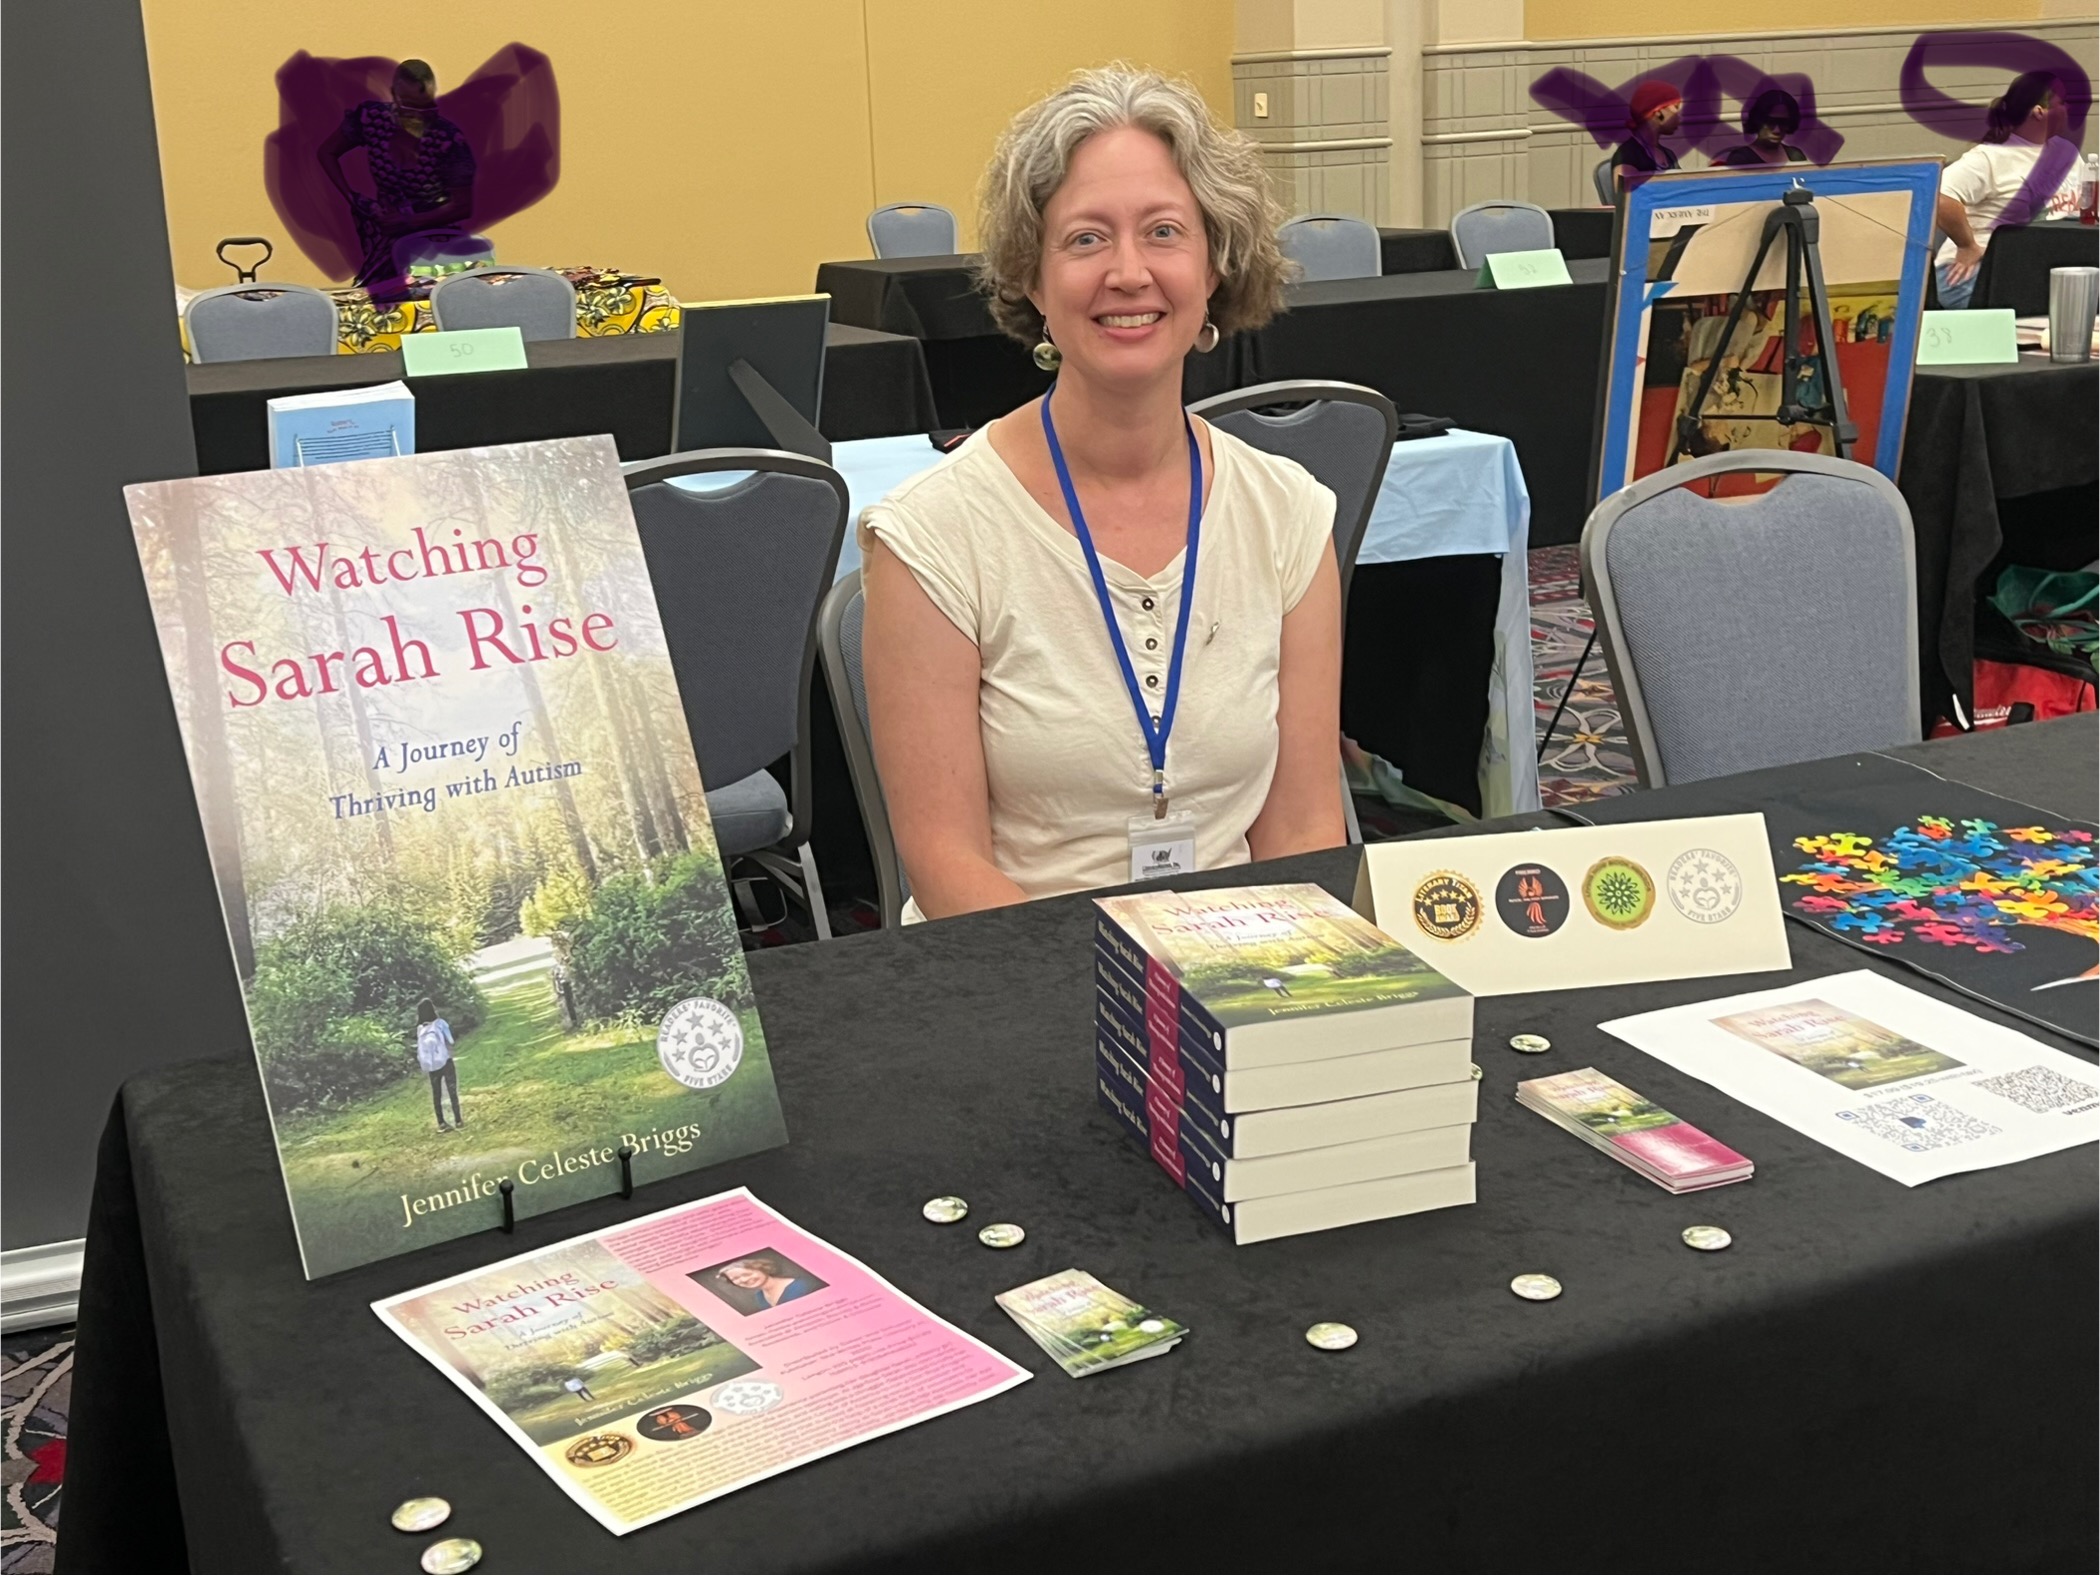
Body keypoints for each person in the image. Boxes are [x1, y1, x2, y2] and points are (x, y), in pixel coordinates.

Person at [859, 66, 1345, 922]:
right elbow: (946, 867)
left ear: (1214, 267)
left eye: (1164, 232)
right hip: (1018, 970)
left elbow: (1303, 830)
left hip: (1243, 962)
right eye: (1086, 239)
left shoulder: (1289, 516)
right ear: (1032, 278)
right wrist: (1132, 993)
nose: (1128, 272)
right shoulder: (932, 535)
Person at [316, 59, 476, 290]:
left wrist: (410, 221)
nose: (418, 117)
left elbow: (463, 207)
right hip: (388, 237)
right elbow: (327, 152)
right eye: (409, 107)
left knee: (433, 298)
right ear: (394, 95)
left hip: (436, 240)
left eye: (425, 108)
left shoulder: (448, 139)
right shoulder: (372, 120)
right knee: (374, 297)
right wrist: (353, 199)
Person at [1935, 71, 2082, 309]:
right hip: (1976, 271)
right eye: (2063, 103)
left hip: (2038, 266)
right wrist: (1967, 245)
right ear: (2039, 112)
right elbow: (1940, 197)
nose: (2070, 110)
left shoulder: (2067, 153)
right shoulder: (1989, 157)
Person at [1613, 82, 1683, 189]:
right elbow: (1627, 196)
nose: (1679, 117)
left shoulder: (1669, 155)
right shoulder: (1627, 155)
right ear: (1658, 112)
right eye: (1676, 107)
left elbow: (1682, 189)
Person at [1716, 89, 1809, 167]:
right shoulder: (1741, 158)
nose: (1777, 130)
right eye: (1770, 122)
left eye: (1783, 123)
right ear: (1758, 121)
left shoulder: (1795, 155)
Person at [414, 996, 461, 1132]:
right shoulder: (440, 1023)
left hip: (431, 1065)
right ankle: (458, 1120)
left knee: (436, 1093)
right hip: (445, 1061)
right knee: (452, 1090)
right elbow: (451, 1041)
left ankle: (441, 1122)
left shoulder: (420, 1028)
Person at [714, 1256, 818, 1310]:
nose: (744, 1280)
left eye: (747, 1274)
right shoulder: (759, 1296)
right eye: (735, 1278)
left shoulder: (802, 1286)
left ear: (763, 1269)